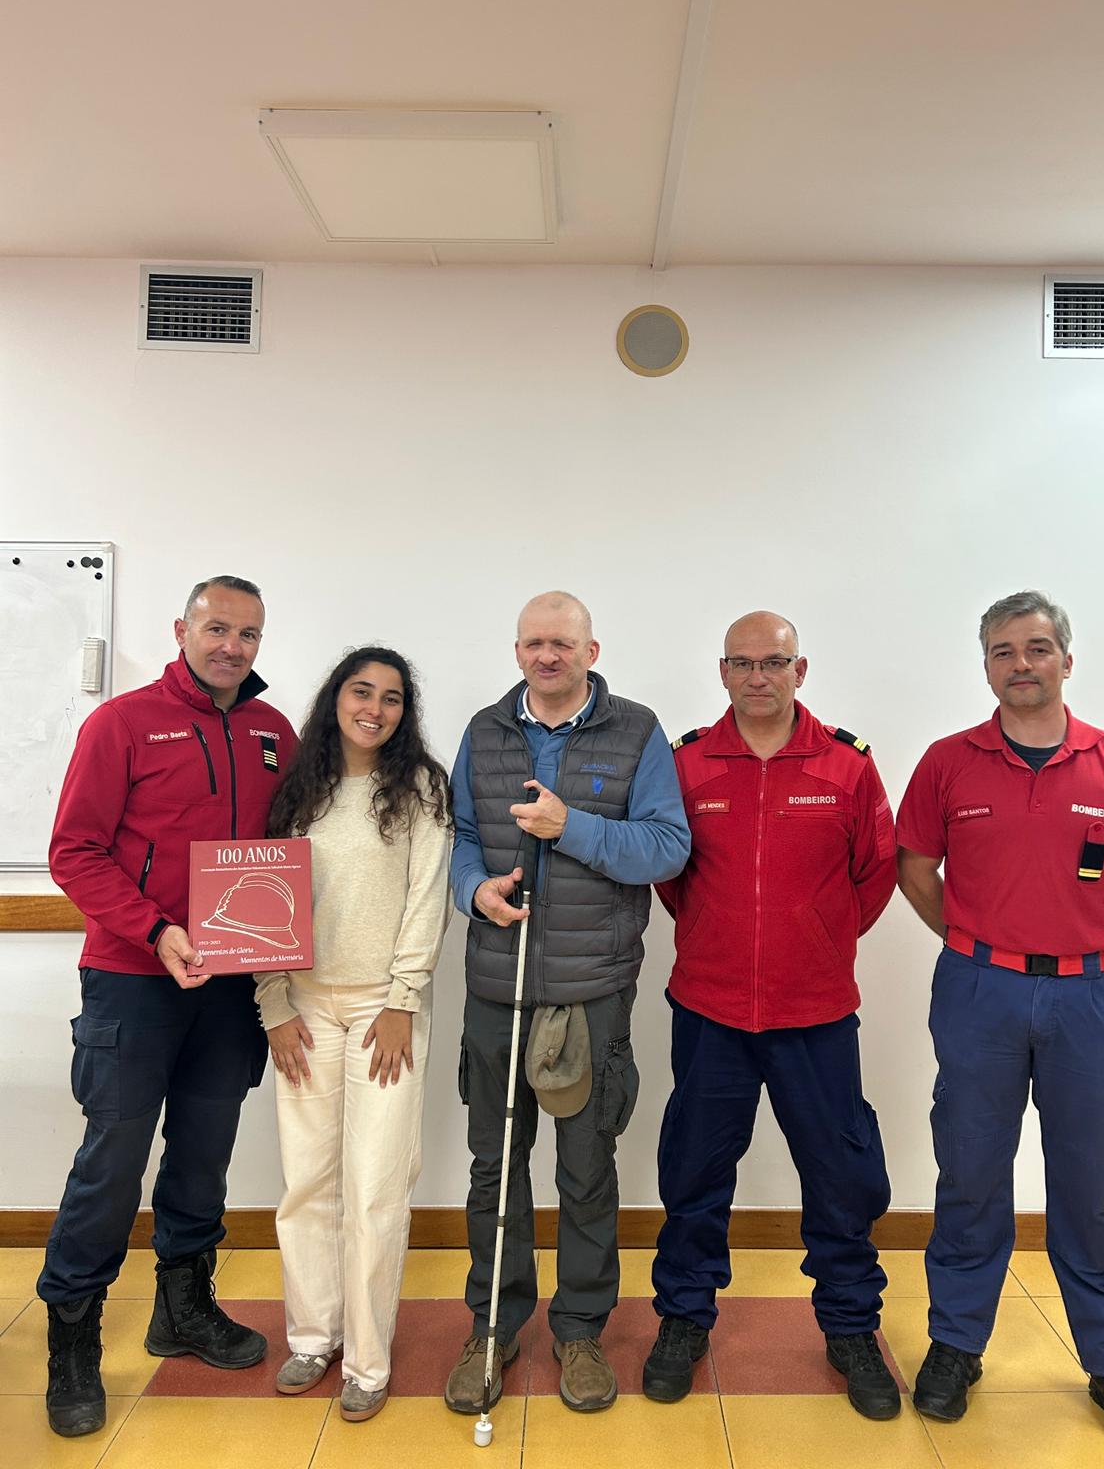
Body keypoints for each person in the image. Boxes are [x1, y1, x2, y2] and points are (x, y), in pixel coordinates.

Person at [896, 590, 1104, 1461]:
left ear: (1067, 658)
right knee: (970, 1175)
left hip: (1090, 1002)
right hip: (978, 992)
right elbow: (916, 869)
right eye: (1002, 651)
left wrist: (1095, 951)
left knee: (1092, 1183)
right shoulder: (948, 763)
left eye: (1035, 648)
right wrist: (978, 944)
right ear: (985, 666)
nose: (1019, 664)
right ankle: (956, 1345)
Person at [39, 575, 297, 1437]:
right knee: (113, 1158)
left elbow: (289, 849)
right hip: (134, 977)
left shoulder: (273, 733)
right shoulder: (121, 724)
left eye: (248, 634)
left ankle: (183, 1307)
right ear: (181, 629)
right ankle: (72, 1334)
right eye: (217, 628)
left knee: (203, 1153)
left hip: (229, 986)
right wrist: (155, 930)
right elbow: (74, 852)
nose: (232, 647)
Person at [641, 611, 899, 1418]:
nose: (759, 677)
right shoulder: (686, 763)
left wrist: (812, 941)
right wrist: (722, 939)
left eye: (774, 662)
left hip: (815, 1012)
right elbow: (672, 876)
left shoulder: (847, 765)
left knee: (840, 1175)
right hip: (711, 1007)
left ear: (800, 669)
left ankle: (851, 1327)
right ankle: (684, 1318)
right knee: (694, 1171)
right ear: (723, 671)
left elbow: (875, 874)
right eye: (743, 663)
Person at [443, 590, 690, 1415]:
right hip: (497, 987)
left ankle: (580, 1330)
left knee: (586, 1170)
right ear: (517, 651)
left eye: (563, 643)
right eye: (533, 643)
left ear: (592, 651)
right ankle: (493, 1326)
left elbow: (666, 847)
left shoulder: (637, 731)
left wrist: (568, 827)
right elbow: (462, 837)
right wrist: (475, 891)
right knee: (495, 1167)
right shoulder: (484, 730)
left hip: (590, 995)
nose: (547, 656)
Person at [256, 647, 453, 1424]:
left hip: (383, 1011)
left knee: (376, 1189)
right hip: (304, 1010)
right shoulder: (296, 787)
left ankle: (367, 1362)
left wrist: (403, 999)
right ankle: (314, 1337)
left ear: (406, 712)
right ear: (335, 699)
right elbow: (259, 895)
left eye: (392, 698)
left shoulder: (422, 788)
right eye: (361, 691)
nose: (375, 708)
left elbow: (426, 897)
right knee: (307, 1182)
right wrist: (274, 1004)